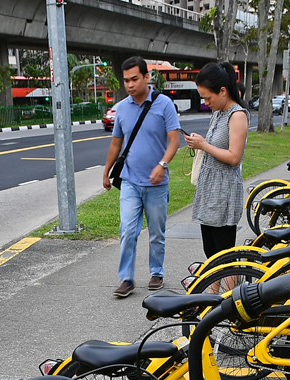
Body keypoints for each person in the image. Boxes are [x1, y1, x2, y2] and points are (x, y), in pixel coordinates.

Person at [103, 56, 181, 298]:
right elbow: (116, 144)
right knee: (127, 230)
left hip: (157, 184)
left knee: (157, 232)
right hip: (130, 181)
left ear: (147, 77)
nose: (130, 84)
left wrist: (162, 164)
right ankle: (126, 279)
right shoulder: (122, 108)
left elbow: (174, 140)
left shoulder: (164, 104)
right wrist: (106, 171)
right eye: (126, 80)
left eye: (134, 79)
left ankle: (156, 272)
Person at [184, 63, 248, 292]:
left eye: (207, 97)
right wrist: (200, 143)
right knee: (211, 253)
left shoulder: (237, 115)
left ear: (223, 90)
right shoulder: (218, 113)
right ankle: (213, 300)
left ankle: (232, 304)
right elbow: (213, 146)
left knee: (225, 254)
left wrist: (204, 145)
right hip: (209, 188)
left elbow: (234, 157)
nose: (205, 103)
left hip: (224, 191)